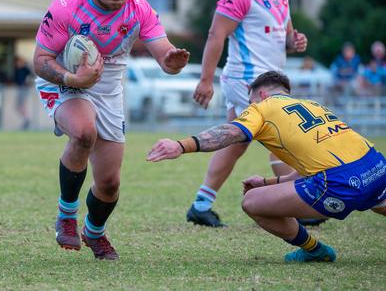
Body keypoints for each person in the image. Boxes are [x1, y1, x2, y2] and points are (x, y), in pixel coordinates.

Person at [34, 0, 189, 260]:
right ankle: (66, 214)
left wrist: (173, 61)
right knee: (83, 132)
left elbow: (164, 54)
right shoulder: (68, 4)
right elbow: (40, 61)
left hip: (110, 85)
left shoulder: (139, 7)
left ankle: (94, 233)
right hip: (65, 78)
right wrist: (74, 79)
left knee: (109, 183)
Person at [148, 71, 386, 262]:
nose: (248, 107)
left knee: (252, 202)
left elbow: (229, 132)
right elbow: (316, 163)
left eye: (250, 102)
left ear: (260, 94)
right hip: (377, 168)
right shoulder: (313, 105)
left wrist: (182, 145)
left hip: (340, 184)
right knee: (374, 198)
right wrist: (267, 182)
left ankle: (314, 250)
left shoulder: (262, 108)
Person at [190, 0, 307, 227]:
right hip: (248, 83)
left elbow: (285, 38)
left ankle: (201, 204)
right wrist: (206, 80)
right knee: (283, 137)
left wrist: (295, 41)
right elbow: (216, 35)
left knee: (235, 142)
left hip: (271, 83)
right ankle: (296, 205)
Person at [13, 55, 32, 130]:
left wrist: (28, 82)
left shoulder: (25, 69)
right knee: (17, 107)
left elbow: (32, 76)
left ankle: (27, 119)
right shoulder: (17, 69)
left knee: (22, 106)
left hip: (24, 89)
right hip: (19, 89)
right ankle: (26, 119)